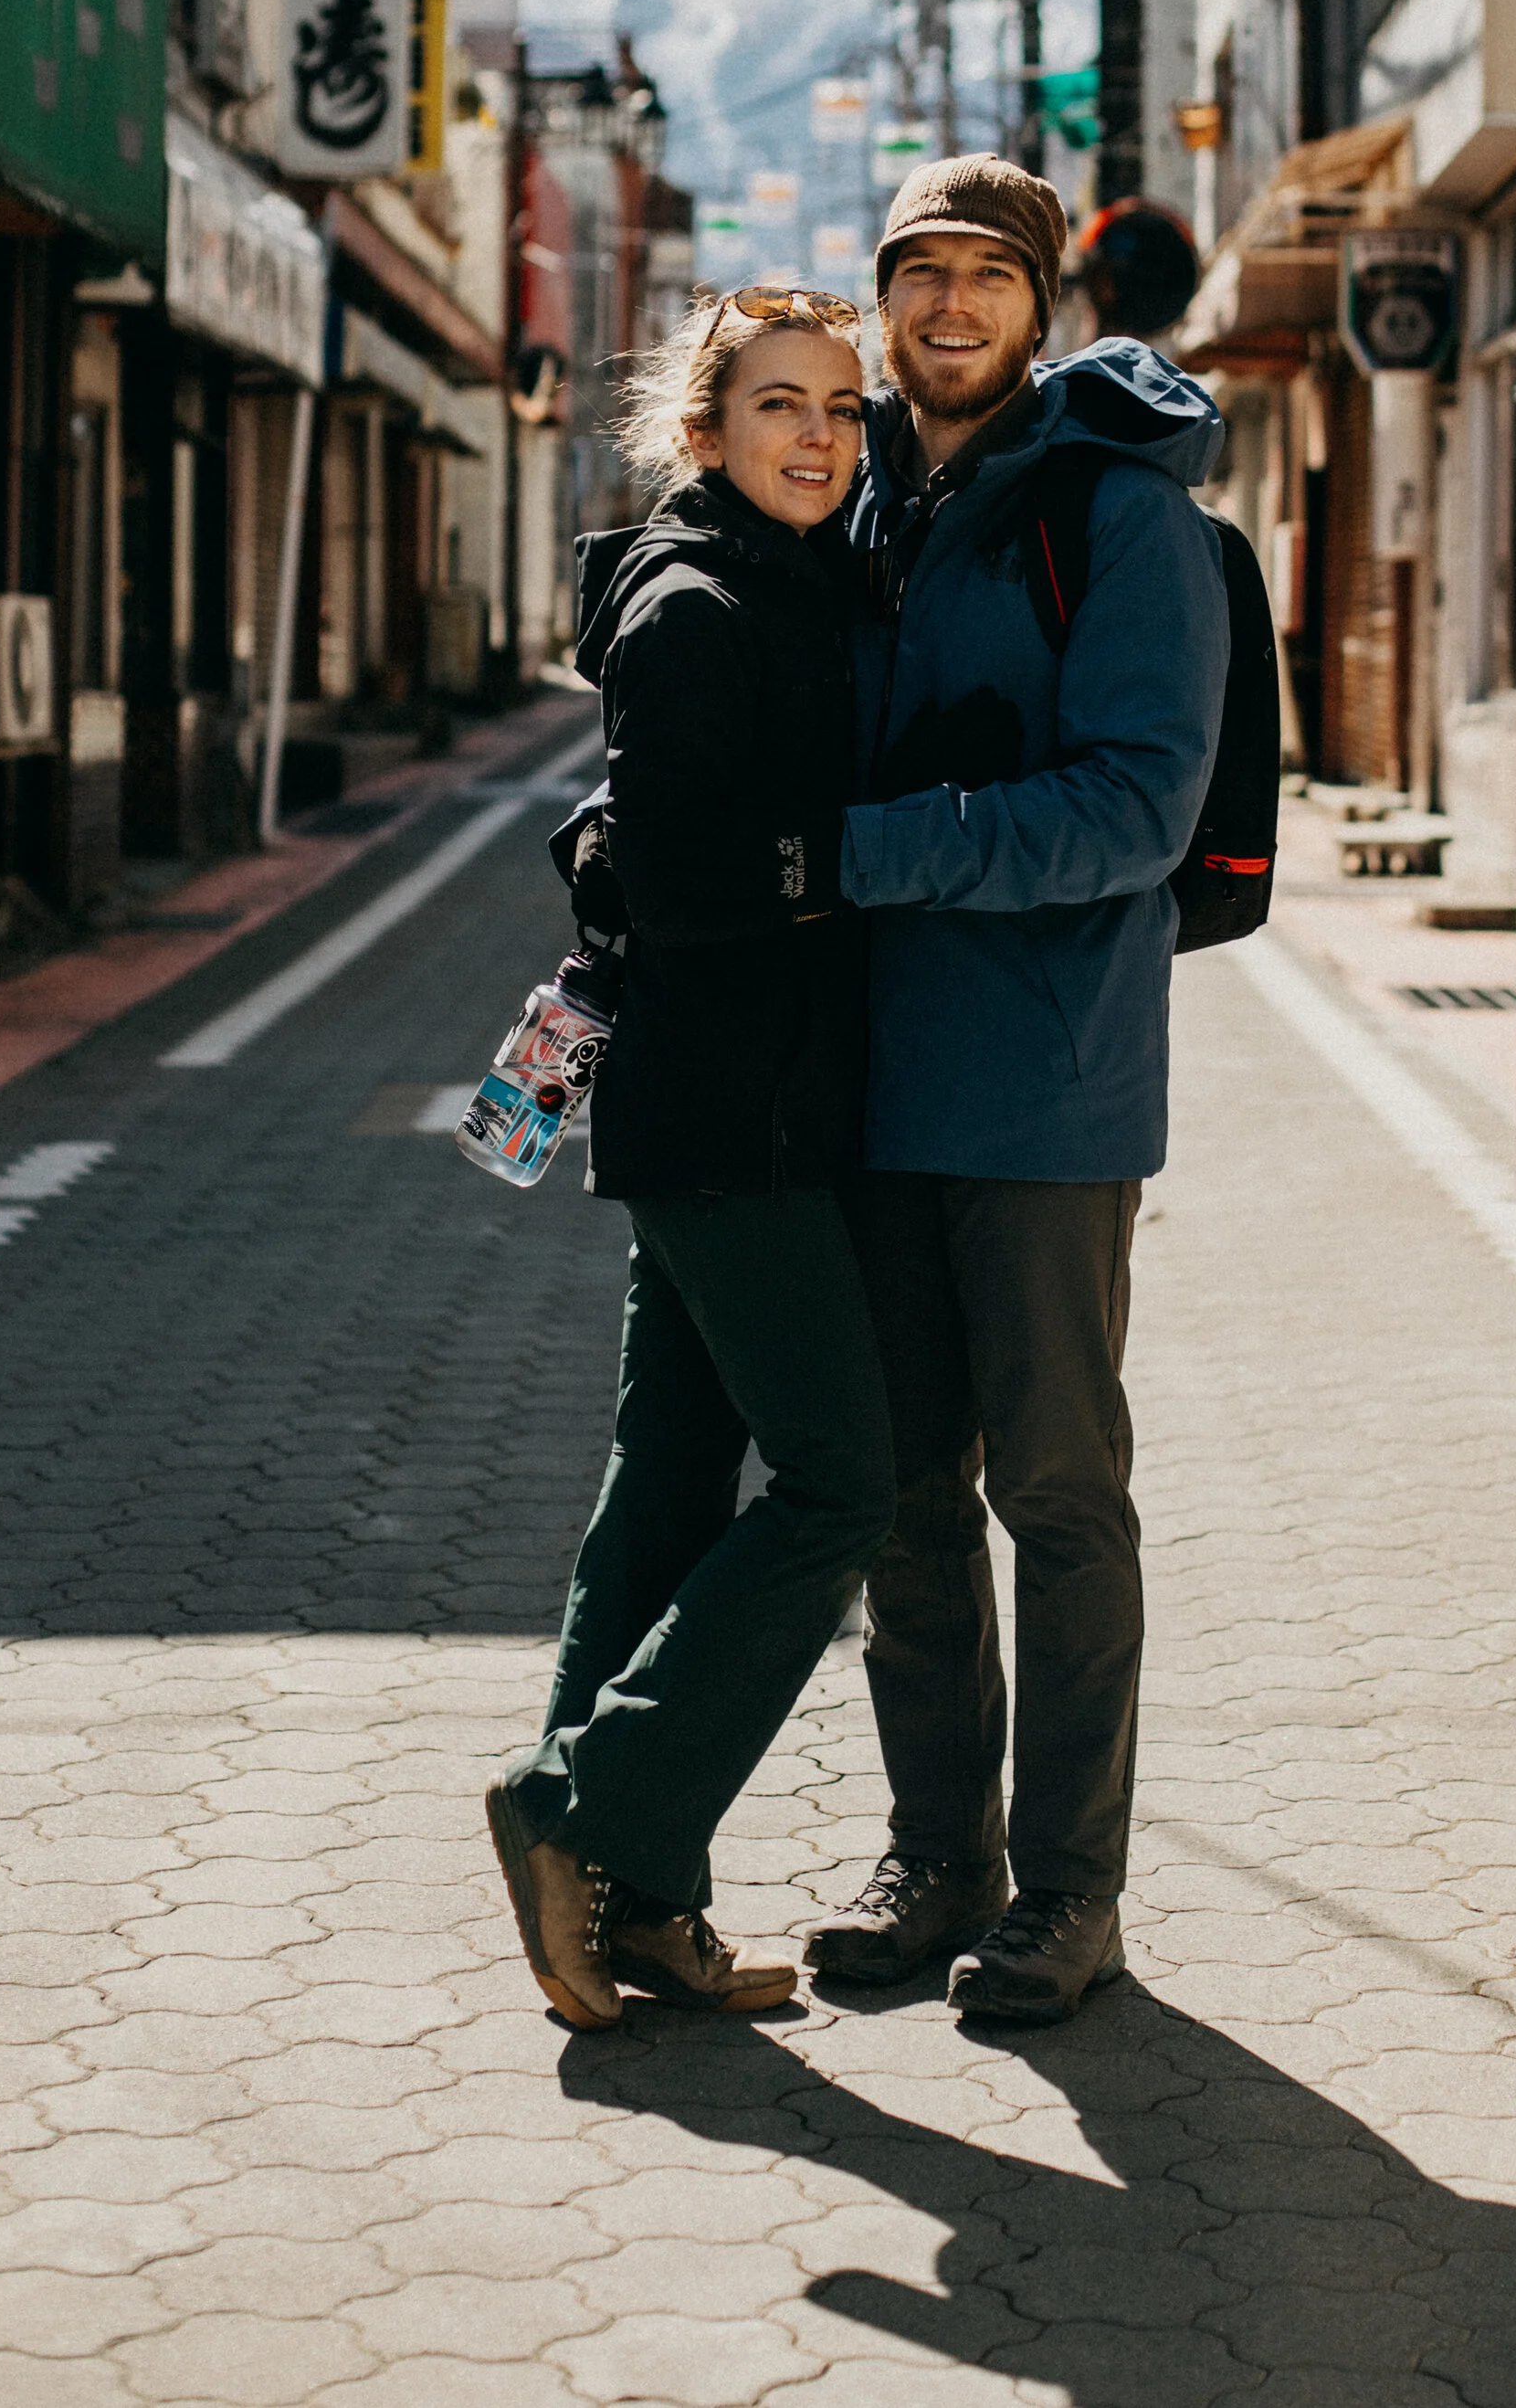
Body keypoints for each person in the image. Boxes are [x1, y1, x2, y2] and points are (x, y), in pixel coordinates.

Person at [807, 155, 1228, 2025]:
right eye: (920, 275)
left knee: (1055, 1494)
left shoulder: (1112, 510)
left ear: (1042, 304)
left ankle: (1067, 1889)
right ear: (881, 302)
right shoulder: (849, 490)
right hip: (861, 1086)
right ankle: (935, 1860)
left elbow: (1137, 806)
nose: (951, 306)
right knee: (898, 1497)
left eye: (988, 275)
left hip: (1048, 1087)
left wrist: (868, 852)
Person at [487, 290, 897, 2033]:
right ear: (704, 426)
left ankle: (632, 1899)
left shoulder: (792, 581)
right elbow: (668, 864)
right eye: (779, 404)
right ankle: (589, 1807)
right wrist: (855, 859)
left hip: (743, 1105)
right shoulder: (696, 600)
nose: (817, 436)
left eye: (843, 411)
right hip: (734, 1121)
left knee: (668, 1477)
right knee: (839, 1487)